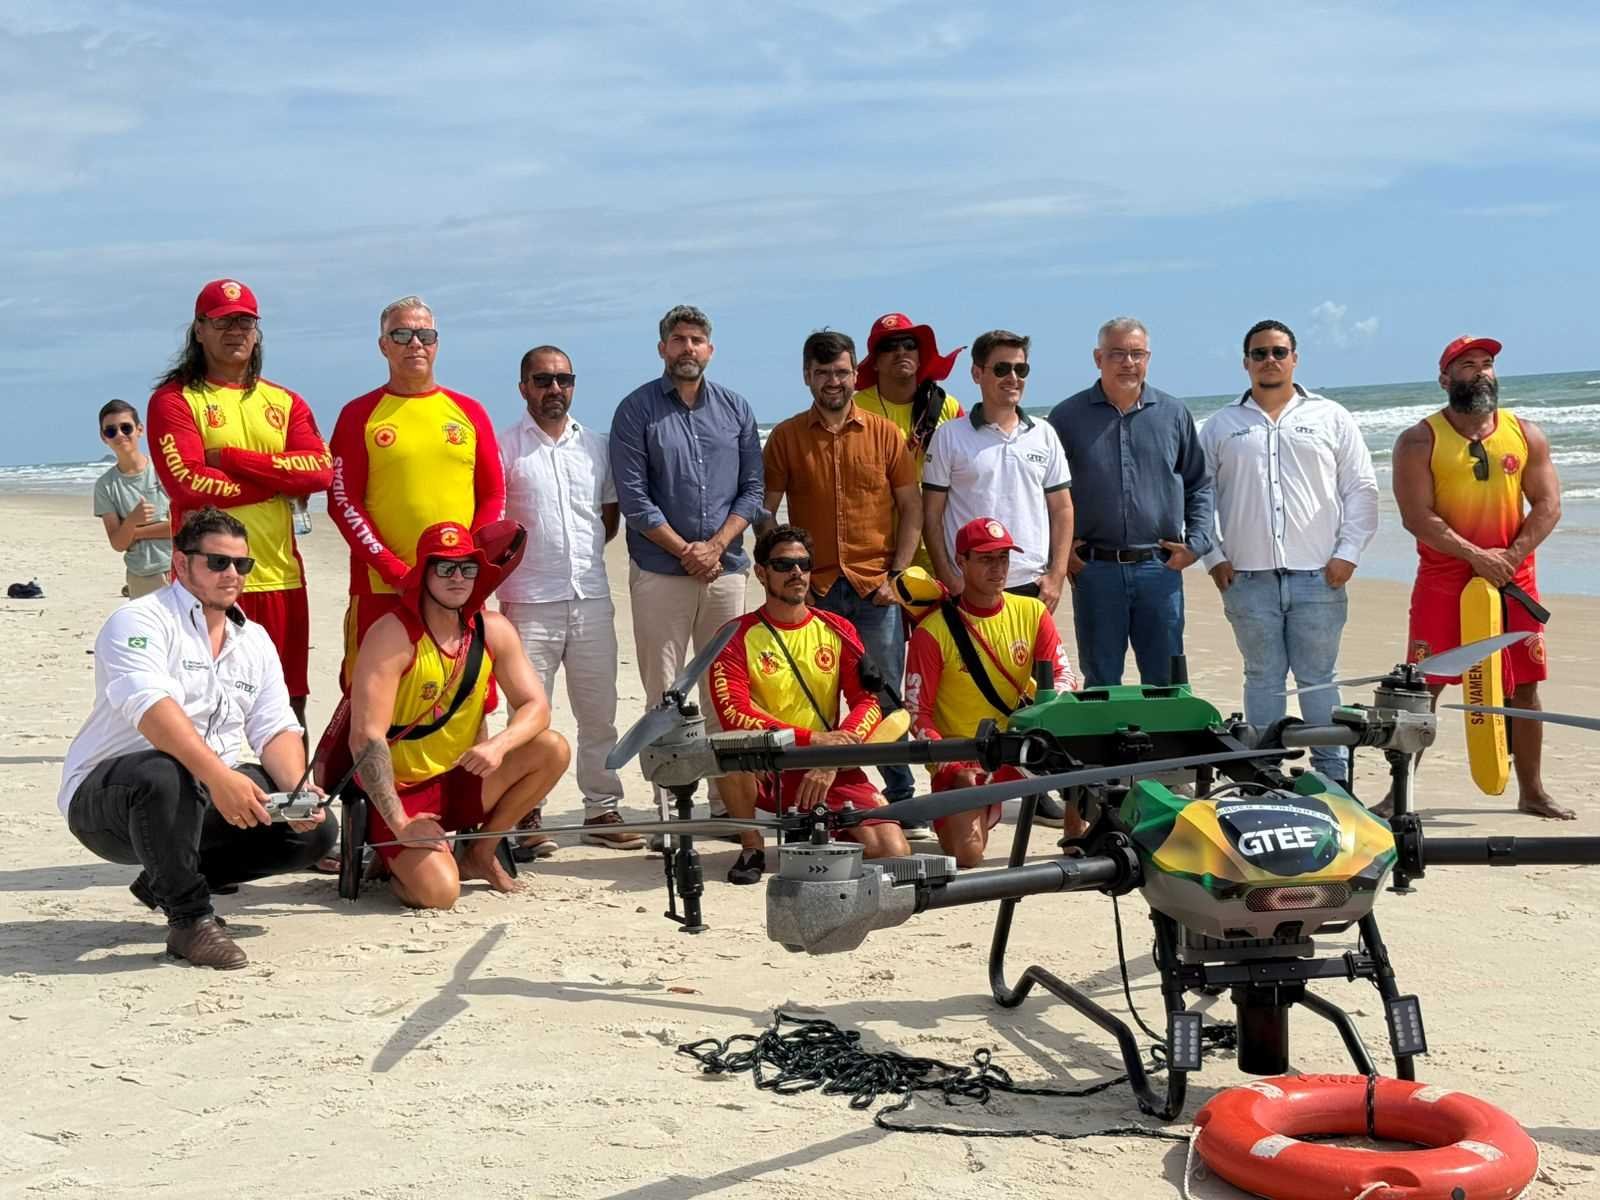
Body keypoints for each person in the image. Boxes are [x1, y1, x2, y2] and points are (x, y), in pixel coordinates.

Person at [58, 507, 337, 970]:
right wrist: (220, 777)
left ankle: (167, 874)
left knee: (313, 834)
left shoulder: (255, 641)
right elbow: (150, 710)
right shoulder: (139, 621)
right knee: (164, 771)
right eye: (218, 562)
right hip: (110, 801)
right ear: (182, 563)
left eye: (242, 565)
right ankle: (189, 921)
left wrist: (298, 793)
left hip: (202, 794)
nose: (232, 575)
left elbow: (275, 725)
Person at [346, 522, 571, 908]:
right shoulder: (392, 634)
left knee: (552, 748)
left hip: (460, 779)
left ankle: (480, 852)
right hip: (402, 791)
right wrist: (401, 824)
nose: (458, 578)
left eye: (467, 568)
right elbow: (366, 738)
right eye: (445, 568)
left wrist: (499, 746)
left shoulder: (493, 629)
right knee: (440, 894)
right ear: (424, 573)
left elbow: (537, 707)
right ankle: (393, 861)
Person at [1391, 335, 1570, 819]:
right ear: (1445, 379)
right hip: (1445, 581)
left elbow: (1549, 505)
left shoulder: (1524, 432)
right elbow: (1416, 515)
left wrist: (1508, 556)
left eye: (1487, 364)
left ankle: (1531, 791)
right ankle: (1398, 794)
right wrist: (1474, 555)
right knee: (1424, 686)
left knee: (1526, 684)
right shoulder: (1419, 440)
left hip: (1514, 579)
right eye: (1468, 365)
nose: (1481, 372)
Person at [146, 279, 334, 728]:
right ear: (199, 330)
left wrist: (230, 458)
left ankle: (292, 797)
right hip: (205, 579)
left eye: (245, 321)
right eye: (224, 321)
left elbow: (320, 472)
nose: (236, 331)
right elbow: (189, 483)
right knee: (204, 704)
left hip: (281, 576)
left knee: (289, 705)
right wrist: (275, 481)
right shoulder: (174, 400)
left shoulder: (285, 401)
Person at [1200, 320, 1379, 786]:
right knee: (1262, 678)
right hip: (1247, 578)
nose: (1270, 361)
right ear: (1246, 363)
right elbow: (1196, 495)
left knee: (1319, 677)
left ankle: (1333, 776)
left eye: (1279, 352)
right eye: (1259, 353)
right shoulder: (1221, 425)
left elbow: (1360, 487)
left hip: (1319, 575)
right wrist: (1213, 556)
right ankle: (1263, 771)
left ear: (1295, 358)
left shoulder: (1330, 417)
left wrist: (1349, 552)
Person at [609, 304, 763, 821]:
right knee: (665, 690)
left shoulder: (736, 409)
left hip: (725, 571)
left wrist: (716, 546)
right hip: (660, 571)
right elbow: (634, 498)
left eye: (696, 340)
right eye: (678, 340)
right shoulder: (636, 411)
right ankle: (669, 809)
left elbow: (752, 488)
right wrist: (687, 551)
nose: (687, 349)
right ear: (662, 349)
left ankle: (727, 803)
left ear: (710, 350)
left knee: (727, 688)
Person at [761, 328, 922, 808]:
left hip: (876, 588)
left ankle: (901, 794)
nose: (834, 381)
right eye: (823, 372)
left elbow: (911, 508)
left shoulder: (886, 434)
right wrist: (783, 572)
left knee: (886, 693)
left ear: (855, 375)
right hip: (817, 591)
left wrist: (899, 575)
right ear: (807, 376)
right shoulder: (786, 438)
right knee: (819, 693)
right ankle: (825, 789)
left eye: (842, 371)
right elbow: (766, 512)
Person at [710, 525, 912, 884]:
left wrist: (834, 757)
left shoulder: (838, 629)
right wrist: (814, 742)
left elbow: (868, 701)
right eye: (784, 565)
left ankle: (821, 831)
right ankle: (751, 845)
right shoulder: (733, 635)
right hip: (767, 764)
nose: (797, 573)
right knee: (726, 748)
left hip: (829, 763)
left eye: (803, 564)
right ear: (761, 572)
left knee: (893, 851)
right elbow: (735, 713)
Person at [497, 346, 640, 852]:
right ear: (524, 388)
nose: (554, 389)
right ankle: (524, 816)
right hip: (526, 599)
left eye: (563, 379)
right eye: (542, 380)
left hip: (591, 596)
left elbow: (608, 518)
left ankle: (601, 809)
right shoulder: (505, 447)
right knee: (530, 714)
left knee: (598, 710)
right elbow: (496, 525)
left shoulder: (595, 446)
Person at [329, 295, 505, 677]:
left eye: (425, 335)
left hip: (456, 587)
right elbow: (344, 502)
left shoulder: (469, 411)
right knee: (371, 701)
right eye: (402, 334)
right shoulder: (358, 414)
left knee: (466, 695)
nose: (415, 344)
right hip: (382, 588)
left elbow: (493, 494)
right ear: (383, 345)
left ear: (437, 343)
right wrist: (395, 571)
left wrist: (463, 564)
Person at [1047, 317, 1213, 686]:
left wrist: (1197, 545)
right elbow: (1045, 490)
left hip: (1160, 569)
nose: (1128, 362)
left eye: (1136, 354)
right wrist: (1058, 553)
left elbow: (1199, 484)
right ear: (1098, 358)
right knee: (1102, 682)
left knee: (1166, 682)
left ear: (1148, 357)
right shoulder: (1066, 418)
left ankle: (1168, 746)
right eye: (1117, 353)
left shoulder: (1173, 413)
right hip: (1094, 571)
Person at [905, 518, 1079, 866]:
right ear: (961, 561)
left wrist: (1050, 711)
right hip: (964, 757)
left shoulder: (1032, 611)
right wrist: (953, 767)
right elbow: (916, 714)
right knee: (968, 857)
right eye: (986, 559)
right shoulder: (931, 631)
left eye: (1003, 558)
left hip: (1017, 747)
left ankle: (1075, 832)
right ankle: (979, 806)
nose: (998, 568)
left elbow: (1063, 675)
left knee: (1080, 726)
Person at [923, 330, 1073, 609]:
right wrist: (948, 576)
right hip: (969, 586)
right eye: (1002, 368)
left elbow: (1062, 509)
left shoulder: (1044, 433)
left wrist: (1056, 575)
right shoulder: (949, 435)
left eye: (1021, 369)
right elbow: (931, 514)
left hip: (1032, 585)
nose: (1013, 378)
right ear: (977, 374)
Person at [851, 312, 965, 573]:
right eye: (889, 346)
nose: (901, 351)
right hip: (877, 547)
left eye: (909, 344)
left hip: (938, 544)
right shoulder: (854, 408)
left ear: (919, 354)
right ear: (875, 361)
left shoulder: (948, 406)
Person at [94, 399, 172, 600]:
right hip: (141, 577)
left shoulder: (165, 470)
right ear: (104, 438)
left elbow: (181, 527)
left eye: (125, 428)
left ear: (139, 430)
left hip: (179, 568)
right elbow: (118, 543)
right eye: (111, 431)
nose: (119, 435)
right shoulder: (106, 486)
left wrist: (134, 532)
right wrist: (132, 520)